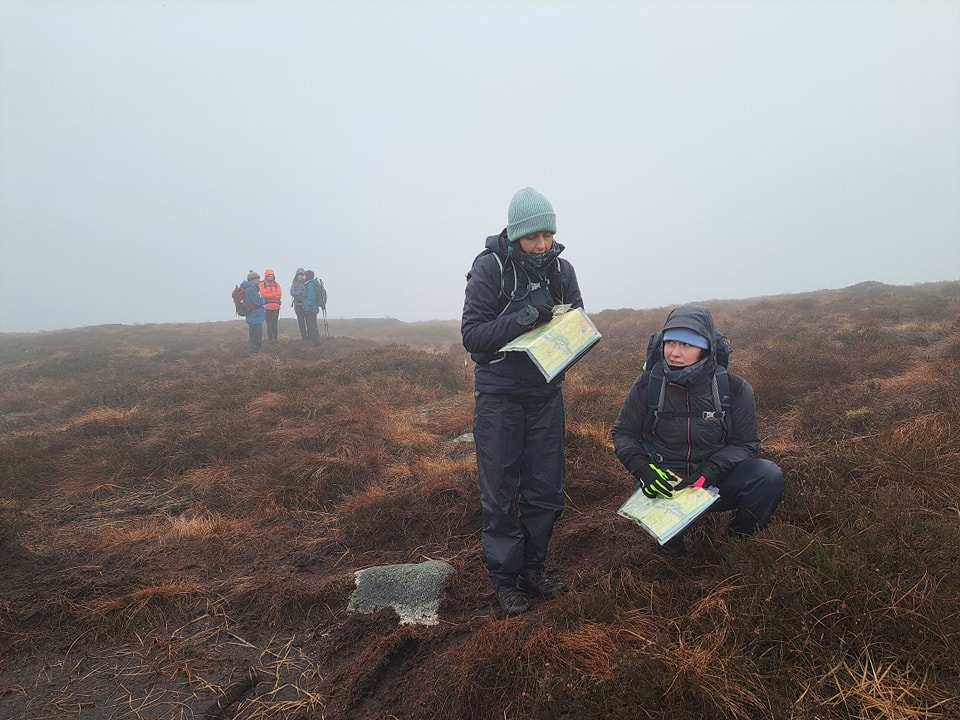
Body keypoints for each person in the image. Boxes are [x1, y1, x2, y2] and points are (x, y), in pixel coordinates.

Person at [461, 187, 583, 616]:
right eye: (534, 237)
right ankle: (505, 581)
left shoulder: (561, 270)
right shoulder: (490, 268)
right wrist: (523, 320)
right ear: (516, 235)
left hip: (545, 394)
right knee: (500, 493)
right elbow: (473, 336)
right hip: (499, 398)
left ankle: (534, 569)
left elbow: (576, 321)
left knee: (546, 490)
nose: (543, 245)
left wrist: (573, 338)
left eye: (548, 235)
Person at [612, 305, 784, 556]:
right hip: (664, 480)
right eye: (670, 342)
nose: (674, 353)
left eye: (686, 345)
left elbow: (745, 442)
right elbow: (624, 433)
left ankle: (739, 544)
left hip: (716, 478)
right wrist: (644, 471)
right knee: (668, 552)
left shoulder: (734, 388)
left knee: (767, 476)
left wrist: (709, 472)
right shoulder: (648, 384)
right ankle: (671, 549)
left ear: (705, 349)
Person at [239, 270, 268, 354]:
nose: (259, 281)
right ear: (253, 280)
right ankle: (254, 353)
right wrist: (265, 299)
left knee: (255, 335)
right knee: (256, 336)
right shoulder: (251, 289)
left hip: (254, 316)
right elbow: (258, 302)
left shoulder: (249, 288)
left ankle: (254, 352)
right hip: (255, 316)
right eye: (258, 279)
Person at [259, 268, 283, 343]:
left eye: (271, 276)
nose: (270, 277)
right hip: (267, 307)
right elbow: (263, 294)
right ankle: (270, 339)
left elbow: (279, 295)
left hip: (276, 307)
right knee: (269, 324)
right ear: (266, 276)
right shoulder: (262, 284)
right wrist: (273, 296)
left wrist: (269, 296)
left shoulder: (277, 285)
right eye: (268, 276)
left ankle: (275, 339)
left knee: (275, 324)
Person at [301, 270, 324, 347]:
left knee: (312, 326)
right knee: (312, 326)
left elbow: (310, 298)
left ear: (308, 276)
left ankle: (317, 343)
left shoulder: (310, 285)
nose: (303, 277)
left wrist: (306, 308)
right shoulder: (311, 284)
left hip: (311, 309)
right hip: (312, 308)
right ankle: (315, 343)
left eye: (304, 275)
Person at [289, 268, 309, 340]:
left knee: (308, 321)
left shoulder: (306, 283)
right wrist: (300, 292)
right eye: (299, 275)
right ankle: (304, 337)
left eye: (301, 274)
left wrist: (298, 293)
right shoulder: (294, 283)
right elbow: (292, 292)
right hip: (297, 305)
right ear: (296, 275)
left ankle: (309, 336)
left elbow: (306, 293)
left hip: (305, 305)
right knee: (301, 322)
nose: (300, 276)